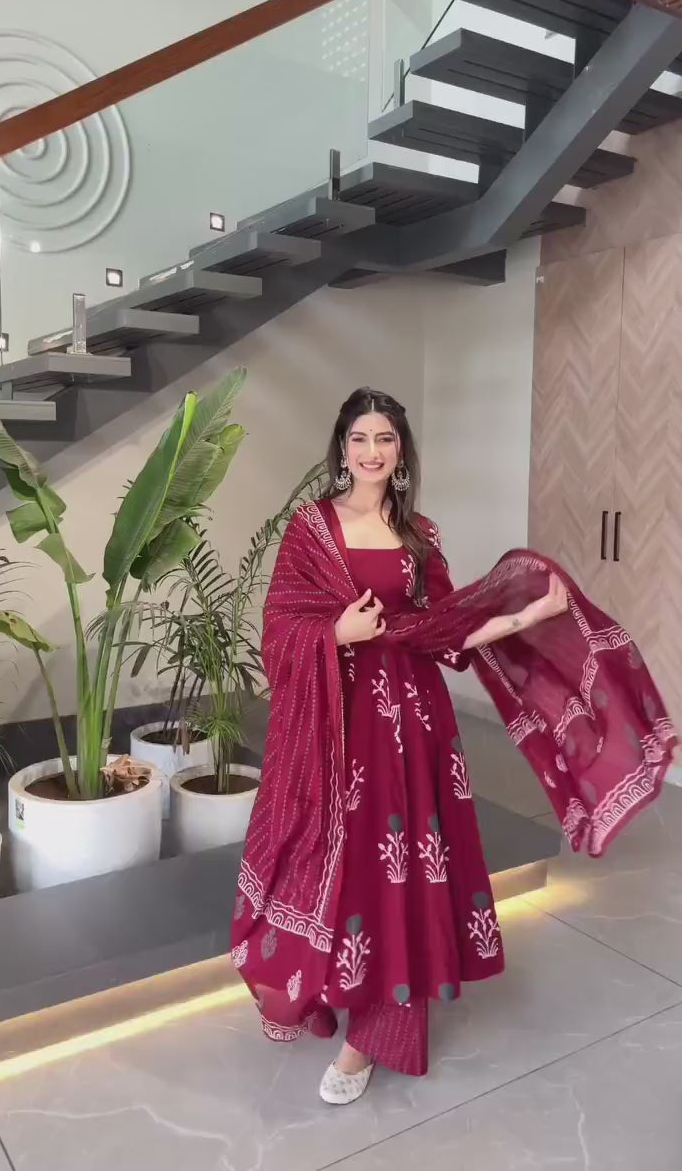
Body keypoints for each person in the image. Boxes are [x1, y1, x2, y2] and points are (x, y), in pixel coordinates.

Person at [231, 388, 676, 1106]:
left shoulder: (419, 537)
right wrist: (335, 634)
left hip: (412, 727)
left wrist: (534, 612)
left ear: (401, 451)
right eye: (359, 439)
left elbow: (447, 632)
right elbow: (280, 628)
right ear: (341, 448)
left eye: (384, 439)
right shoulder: (311, 528)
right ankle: (342, 985)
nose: (371, 452)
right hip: (339, 726)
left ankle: (373, 1031)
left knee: (398, 867)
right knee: (343, 864)